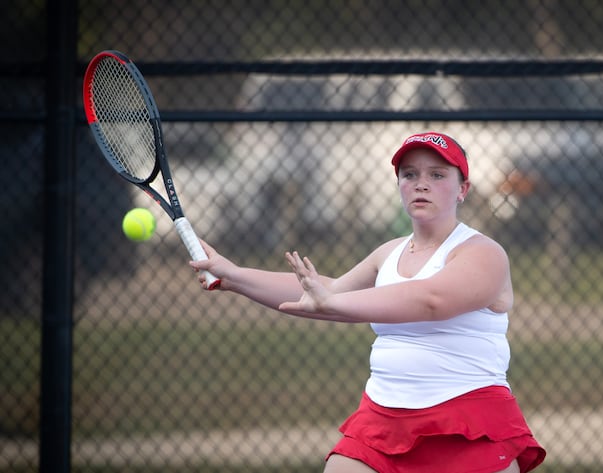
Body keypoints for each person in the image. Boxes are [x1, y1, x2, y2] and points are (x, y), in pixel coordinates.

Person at [190, 132, 546, 473]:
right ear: (399, 185)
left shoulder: (483, 253)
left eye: (437, 174)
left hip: (466, 420)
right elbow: (320, 292)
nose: (421, 183)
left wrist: (333, 303)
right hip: (383, 416)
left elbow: (430, 300)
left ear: (462, 189)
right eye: (410, 174)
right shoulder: (388, 253)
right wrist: (232, 275)